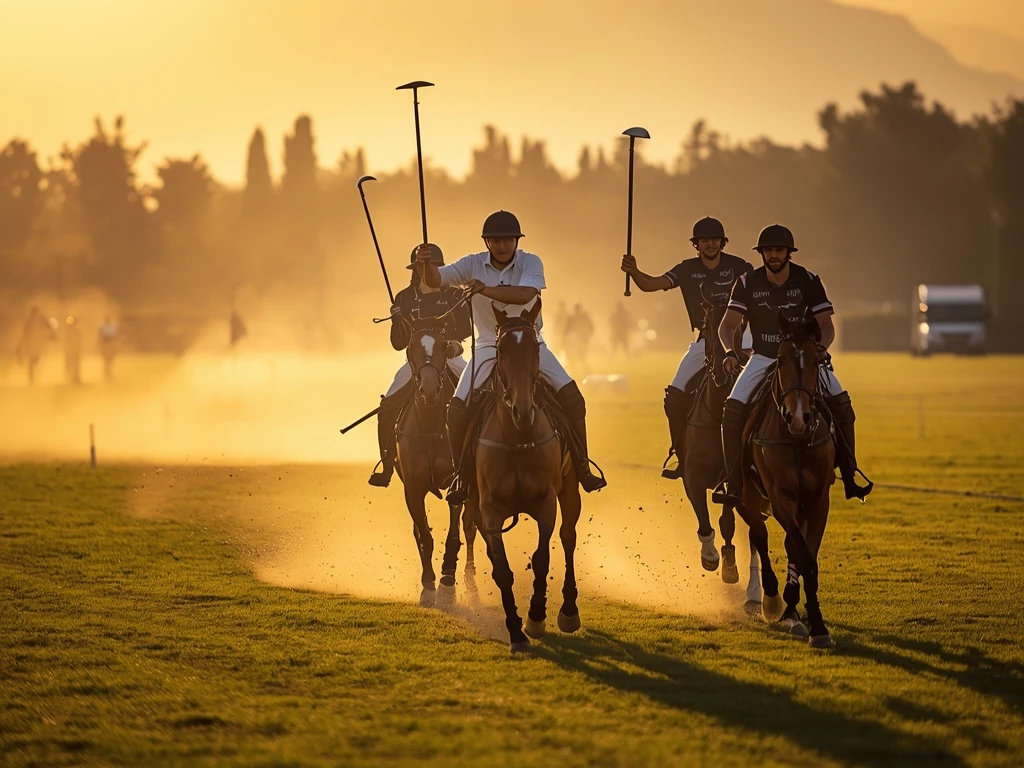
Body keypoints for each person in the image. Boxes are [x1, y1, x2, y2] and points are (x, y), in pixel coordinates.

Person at [415, 210, 607, 500]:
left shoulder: (531, 262)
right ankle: (461, 477)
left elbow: (525, 295)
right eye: (495, 240)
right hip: (489, 345)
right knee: (456, 411)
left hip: (531, 342)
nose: (502, 245)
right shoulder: (471, 263)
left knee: (572, 397)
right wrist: (425, 263)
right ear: (486, 242)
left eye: (507, 240)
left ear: (516, 240)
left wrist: (484, 288)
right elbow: (434, 281)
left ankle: (582, 466)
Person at [717, 224, 873, 502]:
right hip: (764, 355)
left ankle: (850, 474)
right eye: (768, 250)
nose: (773, 255)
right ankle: (734, 484)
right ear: (761, 253)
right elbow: (727, 326)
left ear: (789, 253)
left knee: (842, 403)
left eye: (779, 250)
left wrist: (821, 349)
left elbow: (827, 326)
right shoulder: (746, 282)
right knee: (732, 410)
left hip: (804, 358)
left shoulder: (808, 280)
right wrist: (730, 351)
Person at [620, 216, 753, 478]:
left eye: (715, 239)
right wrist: (634, 272)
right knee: (675, 396)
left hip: (744, 337)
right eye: (704, 240)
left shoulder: (740, 267)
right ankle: (681, 454)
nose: (710, 244)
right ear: (697, 244)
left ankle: (756, 454)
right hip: (704, 341)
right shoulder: (686, 269)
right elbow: (652, 284)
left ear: (722, 242)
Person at [368, 244, 472, 487]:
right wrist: (397, 321)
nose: (428, 270)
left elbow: (465, 329)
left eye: (433, 266)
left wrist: (454, 344)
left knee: (476, 400)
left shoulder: (453, 294)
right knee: (386, 408)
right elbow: (398, 343)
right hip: (416, 365)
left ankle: (474, 462)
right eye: (423, 266)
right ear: (415, 268)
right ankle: (387, 466)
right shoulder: (403, 298)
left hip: (449, 359)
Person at [15, 306, 55, 385]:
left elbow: (50, 326)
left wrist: (52, 335)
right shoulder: (31, 320)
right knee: (32, 359)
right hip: (32, 342)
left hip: (37, 342)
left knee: (35, 359)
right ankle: (32, 377)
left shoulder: (40, 319)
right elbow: (25, 331)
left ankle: (33, 375)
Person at [98, 315, 119, 382]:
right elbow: (100, 336)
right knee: (106, 359)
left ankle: (109, 371)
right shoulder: (103, 327)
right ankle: (106, 372)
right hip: (106, 344)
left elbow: (114, 336)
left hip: (110, 344)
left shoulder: (112, 327)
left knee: (110, 359)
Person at [63, 315, 83, 386]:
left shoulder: (73, 330)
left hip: (73, 350)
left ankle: (74, 378)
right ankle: (74, 378)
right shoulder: (75, 330)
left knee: (73, 364)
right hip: (73, 350)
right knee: (73, 364)